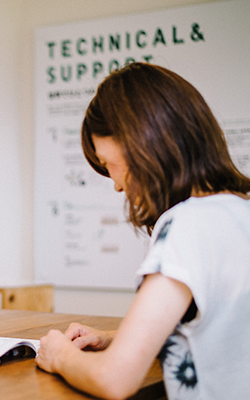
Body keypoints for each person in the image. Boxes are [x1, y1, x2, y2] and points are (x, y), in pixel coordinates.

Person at [35, 63, 250, 399]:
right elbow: (223, 331)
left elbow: (113, 380)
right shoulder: (240, 209)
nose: (118, 186)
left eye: (108, 165)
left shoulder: (187, 224)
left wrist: (59, 355)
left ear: (140, 143)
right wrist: (114, 337)